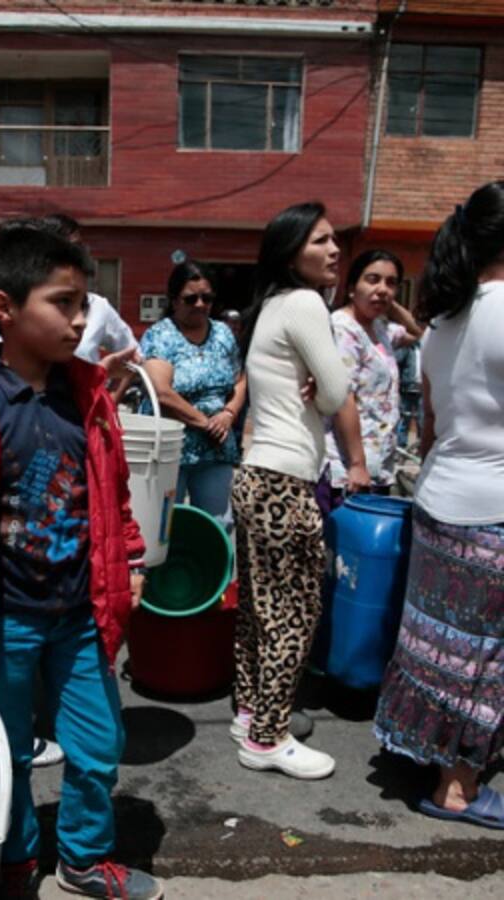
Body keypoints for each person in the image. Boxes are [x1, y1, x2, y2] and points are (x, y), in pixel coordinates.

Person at [0, 220, 159, 900]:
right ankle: (13, 861)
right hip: (3, 621)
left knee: (99, 744)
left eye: (84, 303)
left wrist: (129, 558)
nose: (81, 320)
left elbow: (114, 496)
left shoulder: (90, 398)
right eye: (64, 302)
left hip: (80, 616)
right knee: (6, 753)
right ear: (5, 311)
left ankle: (81, 858)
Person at [373, 181, 504, 829]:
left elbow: (428, 427)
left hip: (440, 498)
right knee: (484, 653)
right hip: (492, 513)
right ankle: (458, 787)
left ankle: (432, 756)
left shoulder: (446, 321)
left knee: (440, 643)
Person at [230, 202, 369, 780]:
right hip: (285, 481)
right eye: (319, 241)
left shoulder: (268, 309)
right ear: (291, 252)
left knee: (258, 610)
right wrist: (325, 383)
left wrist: (316, 381)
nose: (334, 250)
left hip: (255, 475)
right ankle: (268, 737)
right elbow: (336, 392)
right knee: (295, 609)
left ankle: (251, 713)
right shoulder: (308, 303)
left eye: (335, 240)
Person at [0, 214, 138, 382]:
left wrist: (106, 391)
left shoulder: (98, 308)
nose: (80, 322)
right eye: (62, 302)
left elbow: (134, 359)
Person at [139, 260, 245, 529]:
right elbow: (161, 393)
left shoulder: (223, 334)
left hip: (216, 450)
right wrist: (205, 422)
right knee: (163, 527)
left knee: (219, 525)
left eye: (206, 297)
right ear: (174, 300)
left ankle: (215, 573)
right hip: (171, 450)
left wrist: (229, 414)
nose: (199, 304)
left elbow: (240, 379)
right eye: (191, 298)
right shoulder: (161, 336)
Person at [319, 250, 423, 512]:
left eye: (391, 282)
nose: (383, 288)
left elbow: (417, 331)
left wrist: (387, 302)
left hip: (377, 463)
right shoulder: (343, 328)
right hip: (347, 468)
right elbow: (344, 397)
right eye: (373, 279)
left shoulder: (380, 328)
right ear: (352, 287)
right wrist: (357, 465)